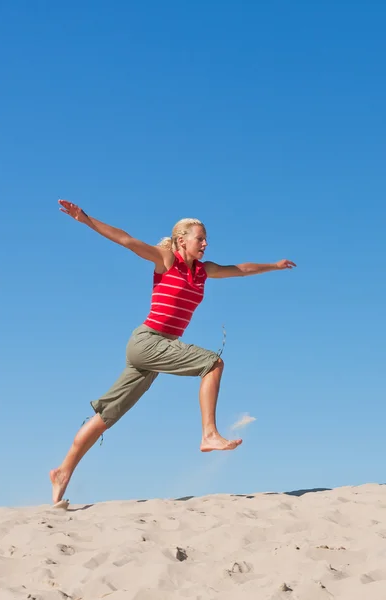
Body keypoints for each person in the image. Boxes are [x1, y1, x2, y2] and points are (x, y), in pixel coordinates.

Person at [50, 199, 296, 505]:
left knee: (106, 415)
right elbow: (126, 240)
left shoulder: (204, 271)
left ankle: (62, 471)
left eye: (206, 239)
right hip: (148, 341)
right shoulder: (167, 260)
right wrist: (85, 219)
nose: (205, 244)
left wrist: (274, 265)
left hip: (156, 351)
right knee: (213, 363)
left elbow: (242, 269)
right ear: (182, 240)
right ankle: (209, 433)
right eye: (199, 239)